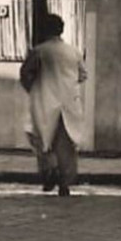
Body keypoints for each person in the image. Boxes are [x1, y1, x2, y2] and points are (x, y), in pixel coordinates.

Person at [19, 14, 87, 196]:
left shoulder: (39, 51)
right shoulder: (73, 51)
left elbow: (25, 74)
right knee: (65, 142)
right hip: (69, 102)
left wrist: (34, 90)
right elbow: (82, 75)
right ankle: (64, 182)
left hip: (44, 100)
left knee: (42, 139)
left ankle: (49, 174)